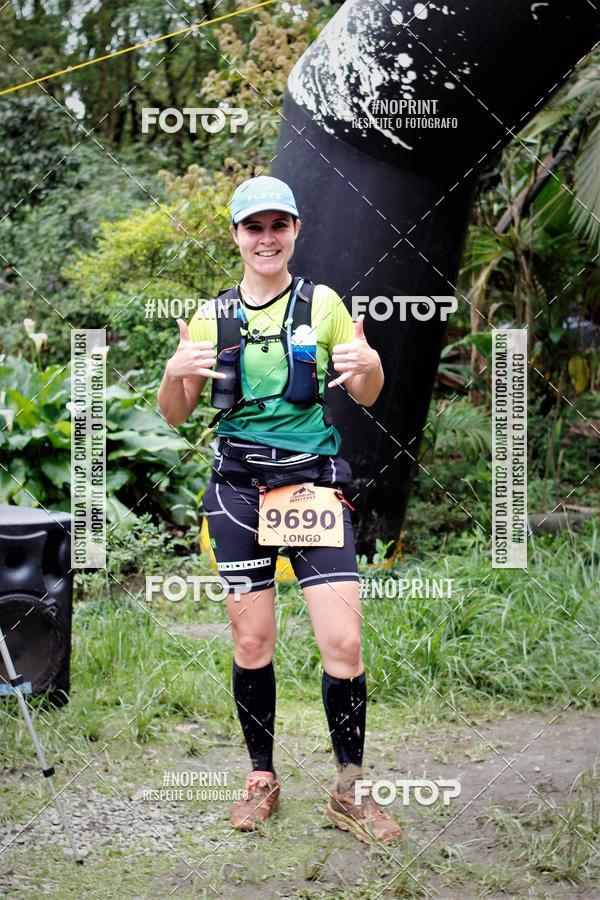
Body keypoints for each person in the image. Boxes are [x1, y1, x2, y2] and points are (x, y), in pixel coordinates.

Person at [157, 175, 402, 845]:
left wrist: (369, 360)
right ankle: (261, 777)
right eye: (253, 227)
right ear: (236, 236)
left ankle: (349, 786)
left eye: (278, 225)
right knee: (252, 641)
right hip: (237, 488)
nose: (266, 238)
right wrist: (175, 369)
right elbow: (175, 412)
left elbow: (369, 392)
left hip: (309, 488)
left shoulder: (321, 303)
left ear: (295, 231)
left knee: (344, 643)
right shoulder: (212, 316)